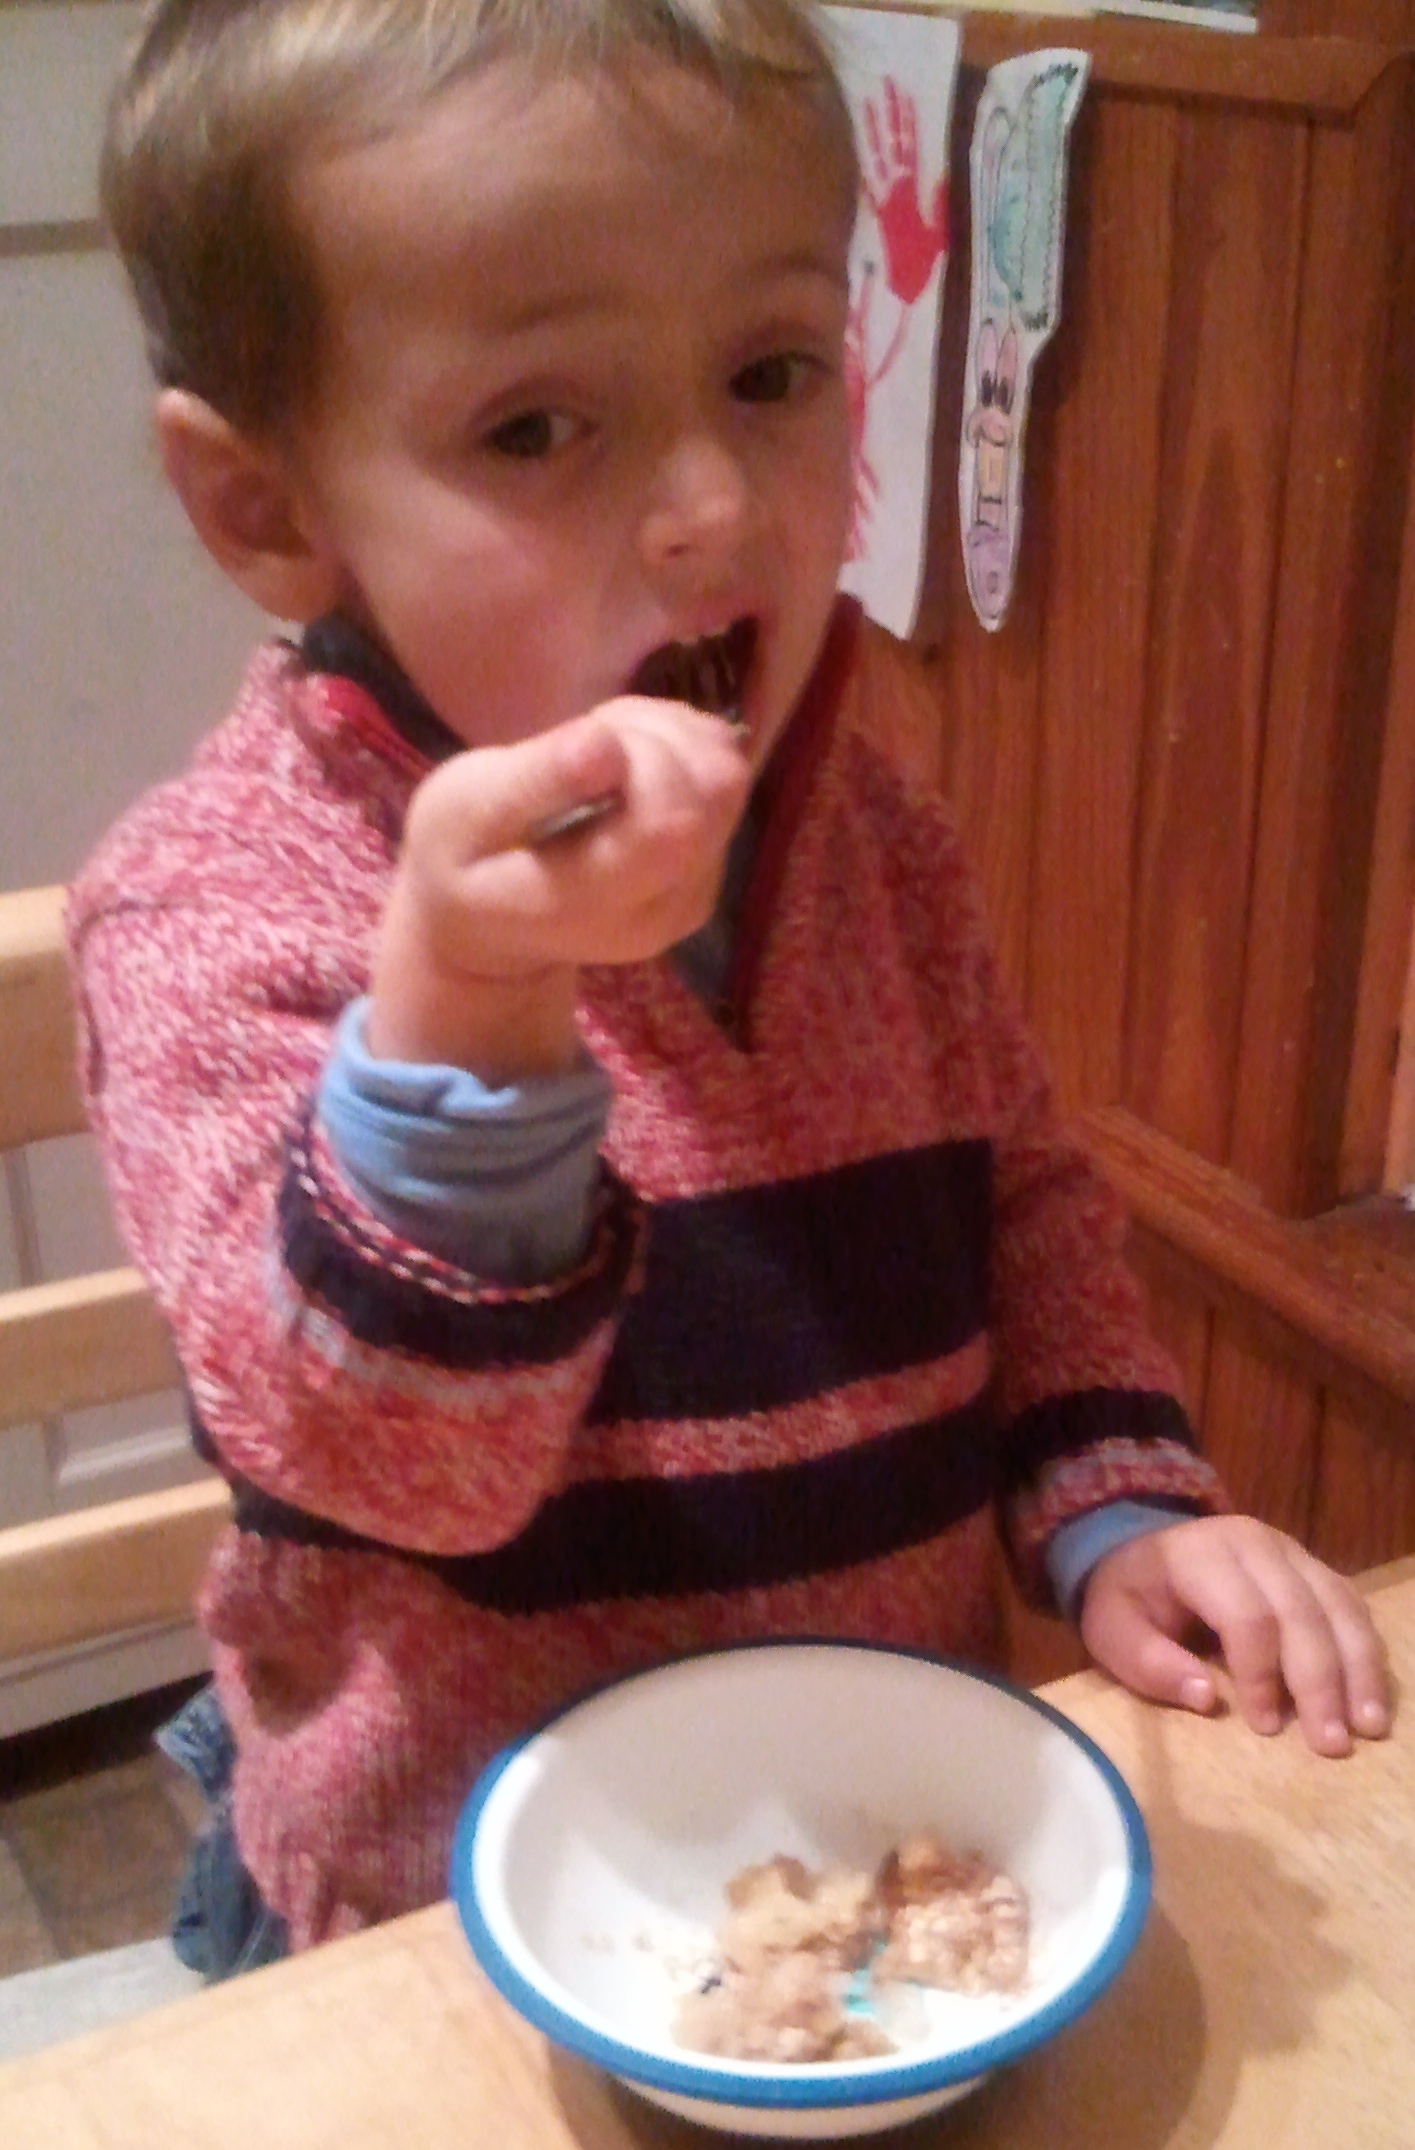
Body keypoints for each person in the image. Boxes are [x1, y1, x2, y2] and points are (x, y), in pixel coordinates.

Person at [71, 0, 1389, 1970]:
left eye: (772, 372)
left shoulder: (872, 833)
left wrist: (1124, 1507)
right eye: (535, 427)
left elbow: (1022, 1200)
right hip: (428, 1925)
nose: (713, 501)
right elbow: (380, 1464)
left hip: (870, 1873)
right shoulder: (213, 908)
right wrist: (477, 1004)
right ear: (268, 506)